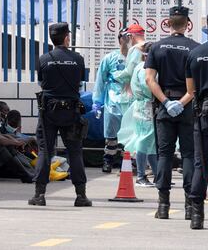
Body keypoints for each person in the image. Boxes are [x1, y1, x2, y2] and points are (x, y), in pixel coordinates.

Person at [28, 22, 91, 207]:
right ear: (66, 37)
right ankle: (81, 196)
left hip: (48, 111)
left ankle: (39, 195)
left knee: (44, 151)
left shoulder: (44, 59)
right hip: (71, 111)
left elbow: (42, 82)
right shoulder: (78, 59)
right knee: (75, 152)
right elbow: (79, 82)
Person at [145, 6, 199, 220]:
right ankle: (188, 205)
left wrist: (167, 102)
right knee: (188, 155)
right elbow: (195, 86)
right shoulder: (195, 48)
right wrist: (182, 101)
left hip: (164, 105)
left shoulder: (157, 47)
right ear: (187, 24)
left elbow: (149, 79)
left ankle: (164, 204)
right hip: (187, 106)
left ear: (167, 23)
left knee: (165, 155)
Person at [185, 11, 208, 229]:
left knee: (201, 164)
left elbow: (190, 90)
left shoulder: (195, 54)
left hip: (204, 115)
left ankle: (197, 216)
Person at [92, 29, 130, 173]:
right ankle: (108, 161)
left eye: (130, 37)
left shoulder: (137, 57)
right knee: (111, 135)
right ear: (120, 39)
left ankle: (128, 164)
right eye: (125, 37)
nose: (128, 40)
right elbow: (100, 80)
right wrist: (97, 101)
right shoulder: (109, 58)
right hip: (113, 100)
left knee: (129, 134)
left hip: (131, 100)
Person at [127, 42, 158, 187]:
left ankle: (158, 175)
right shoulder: (144, 69)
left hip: (146, 106)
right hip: (146, 107)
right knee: (144, 141)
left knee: (150, 142)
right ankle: (141, 175)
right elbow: (149, 87)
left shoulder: (142, 67)